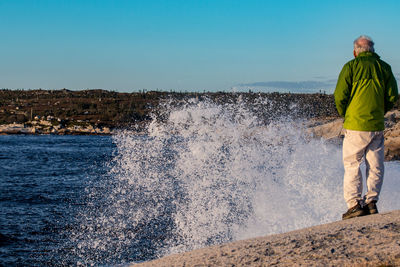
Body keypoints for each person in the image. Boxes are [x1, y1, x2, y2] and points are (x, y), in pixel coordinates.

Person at [334, 35, 398, 220]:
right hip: (376, 124)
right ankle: (371, 202)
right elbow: (393, 95)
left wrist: (345, 113)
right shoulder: (384, 67)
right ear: (373, 51)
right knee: (376, 165)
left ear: (355, 51)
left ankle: (354, 204)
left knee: (353, 165)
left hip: (355, 125)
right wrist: (380, 110)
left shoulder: (351, 67)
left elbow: (340, 96)